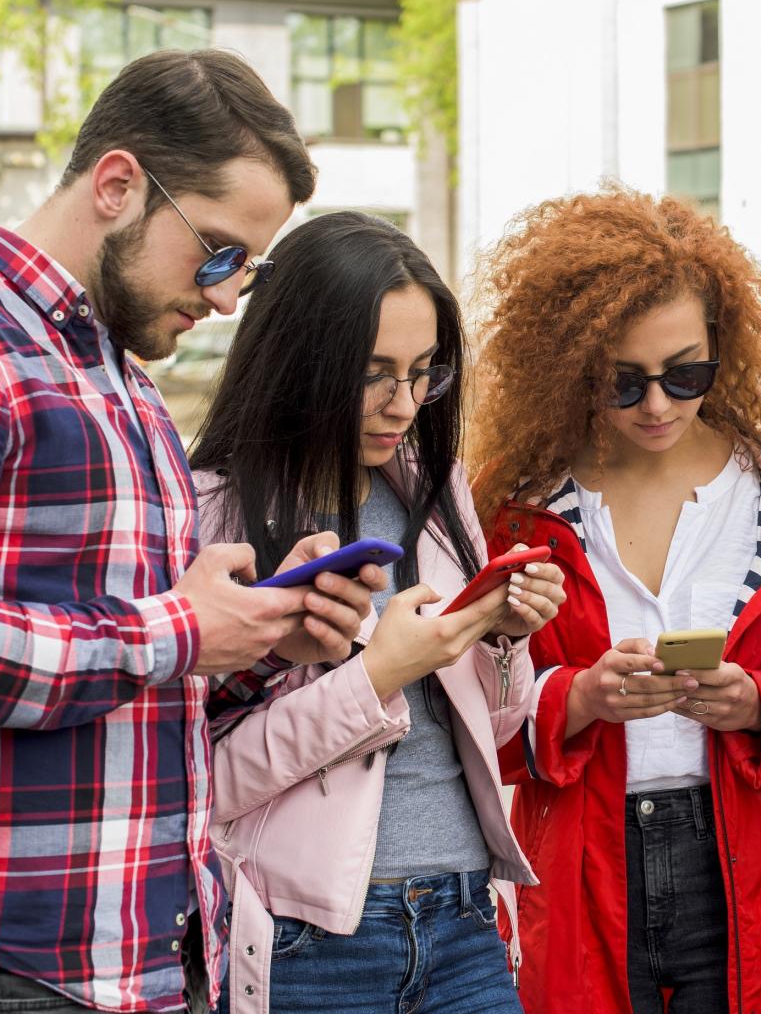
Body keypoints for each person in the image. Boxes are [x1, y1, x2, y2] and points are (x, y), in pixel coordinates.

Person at [0, 49, 372, 1014]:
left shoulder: (124, 381)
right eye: (220, 251)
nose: (230, 295)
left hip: (152, 962)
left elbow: (138, 675)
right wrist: (183, 630)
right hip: (5, 970)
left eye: (250, 267)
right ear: (118, 185)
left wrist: (260, 636)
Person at [466, 188, 761, 1014]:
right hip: (582, 865)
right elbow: (470, 721)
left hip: (748, 861)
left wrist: (758, 702)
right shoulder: (517, 513)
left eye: (686, 374)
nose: (657, 406)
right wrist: (580, 697)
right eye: (623, 381)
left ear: (725, 346)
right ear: (574, 366)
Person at [189, 212, 567, 1014]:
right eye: (375, 373)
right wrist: (378, 677)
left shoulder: (435, 486)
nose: (404, 404)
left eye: (425, 371)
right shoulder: (213, 512)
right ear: (300, 358)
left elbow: (496, 731)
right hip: (311, 941)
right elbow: (206, 779)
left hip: (465, 918)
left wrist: (501, 638)